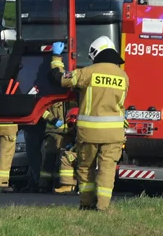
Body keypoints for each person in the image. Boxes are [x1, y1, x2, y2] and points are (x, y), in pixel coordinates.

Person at [50, 36, 129, 211]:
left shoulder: (89, 72)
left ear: (95, 53)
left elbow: (62, 79)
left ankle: (86, 204)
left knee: (86, 167)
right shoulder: (123, 76)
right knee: (107, 170)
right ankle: (102, 206)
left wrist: (56, 59)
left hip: (90, 132)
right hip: (114, 134)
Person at [38, 99, 76, 191]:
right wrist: (52, 119)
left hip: (69, 133)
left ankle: (60, 183)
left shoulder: (72, 95)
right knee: (49, 159)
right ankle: (44, 185)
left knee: (63, 160)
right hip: (53, 132)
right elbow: (41, 110)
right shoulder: (51, 94)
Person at [54, 107, 80, 194]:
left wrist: (69, 150)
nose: (71, 128)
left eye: (72, 125)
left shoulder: (81, 131)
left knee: (66, 157)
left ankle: (68, 185)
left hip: (87, 156)